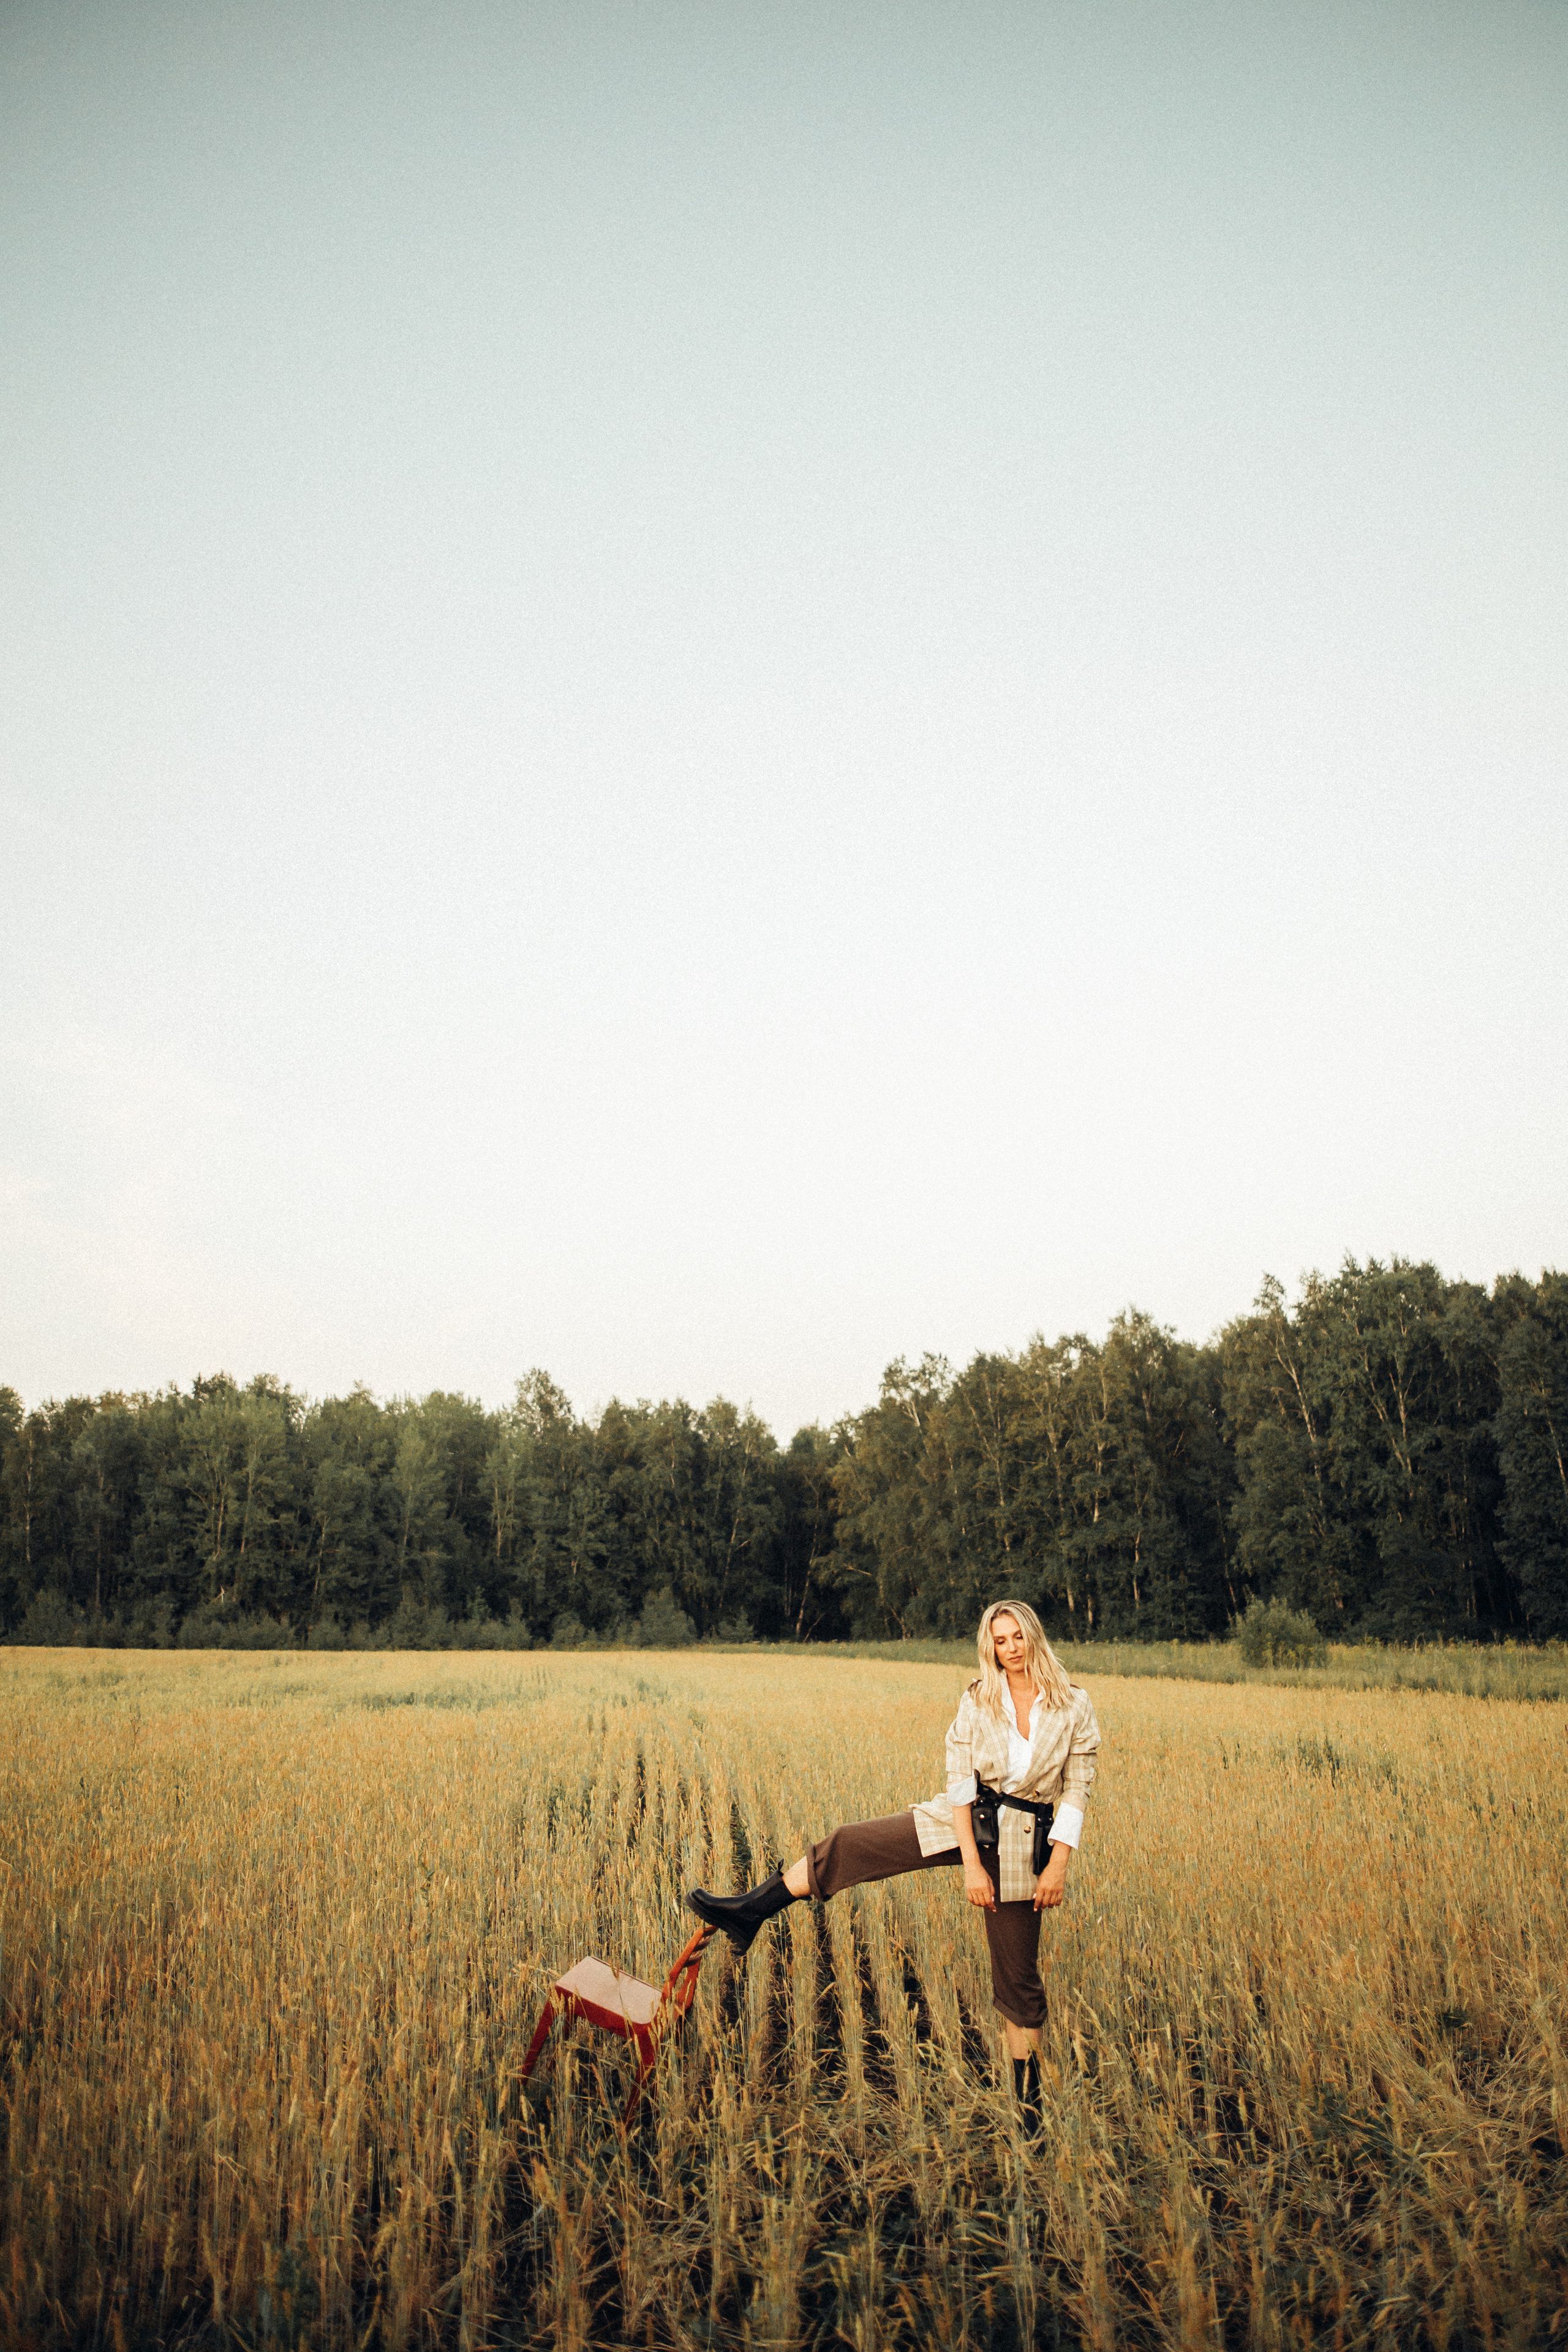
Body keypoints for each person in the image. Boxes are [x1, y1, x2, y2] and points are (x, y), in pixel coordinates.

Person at [685, 1599, 1101, 2136]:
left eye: (1019, 1636)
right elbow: (959, 1783)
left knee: (1019, 1982)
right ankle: (751, 1910)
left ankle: (1029, 2115)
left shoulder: (1073, 1704)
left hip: (1026, 1844)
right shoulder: (979, 1701)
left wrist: (1058, 1865)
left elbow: (1078, 1788)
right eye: (1001, 1641)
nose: (1012, 1649)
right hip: (969, 1822)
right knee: (852, 1842)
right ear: (990, 1648)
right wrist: (972, 1867)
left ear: (1034, 1637)